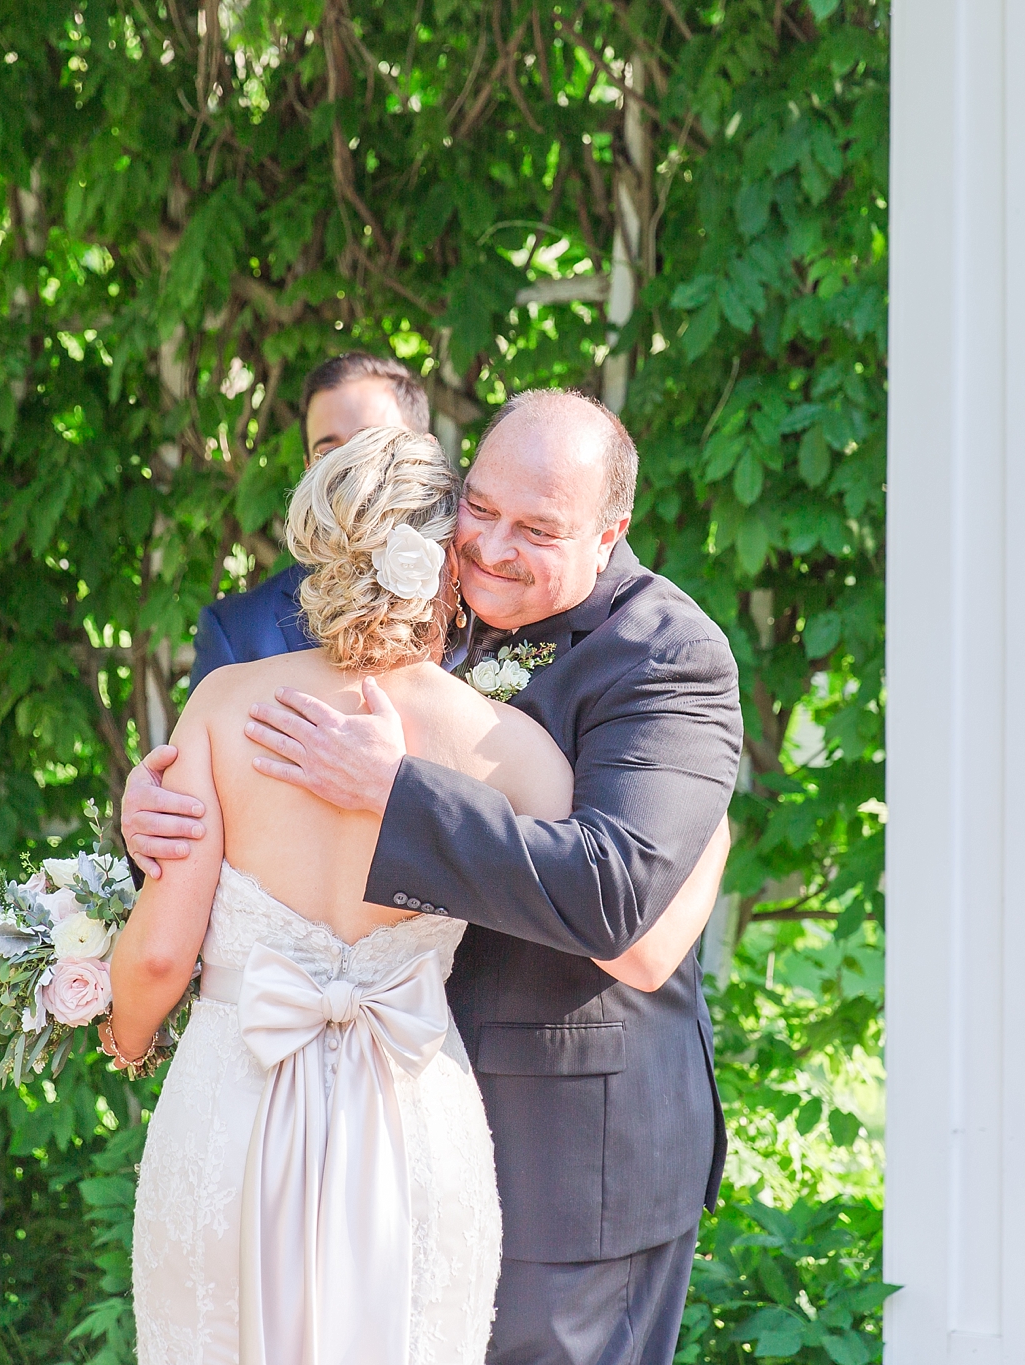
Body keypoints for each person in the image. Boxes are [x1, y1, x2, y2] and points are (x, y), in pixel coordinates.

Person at [125, 390, 741, 1365]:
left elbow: (624, 905)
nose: (490, 547)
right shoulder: (426, 605)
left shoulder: (665, 657)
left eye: (535, 529)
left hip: (570, 1156)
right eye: (479, 509)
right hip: (388, 1125)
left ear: (608, 530)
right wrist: (152, 815)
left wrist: (396, 793)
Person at [191, 352, 432, 686]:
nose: (350, 469)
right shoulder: (236, 633)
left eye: (373, 442)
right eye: (329, 453)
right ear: (308, 469)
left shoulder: (481, 606)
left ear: (425, 454)